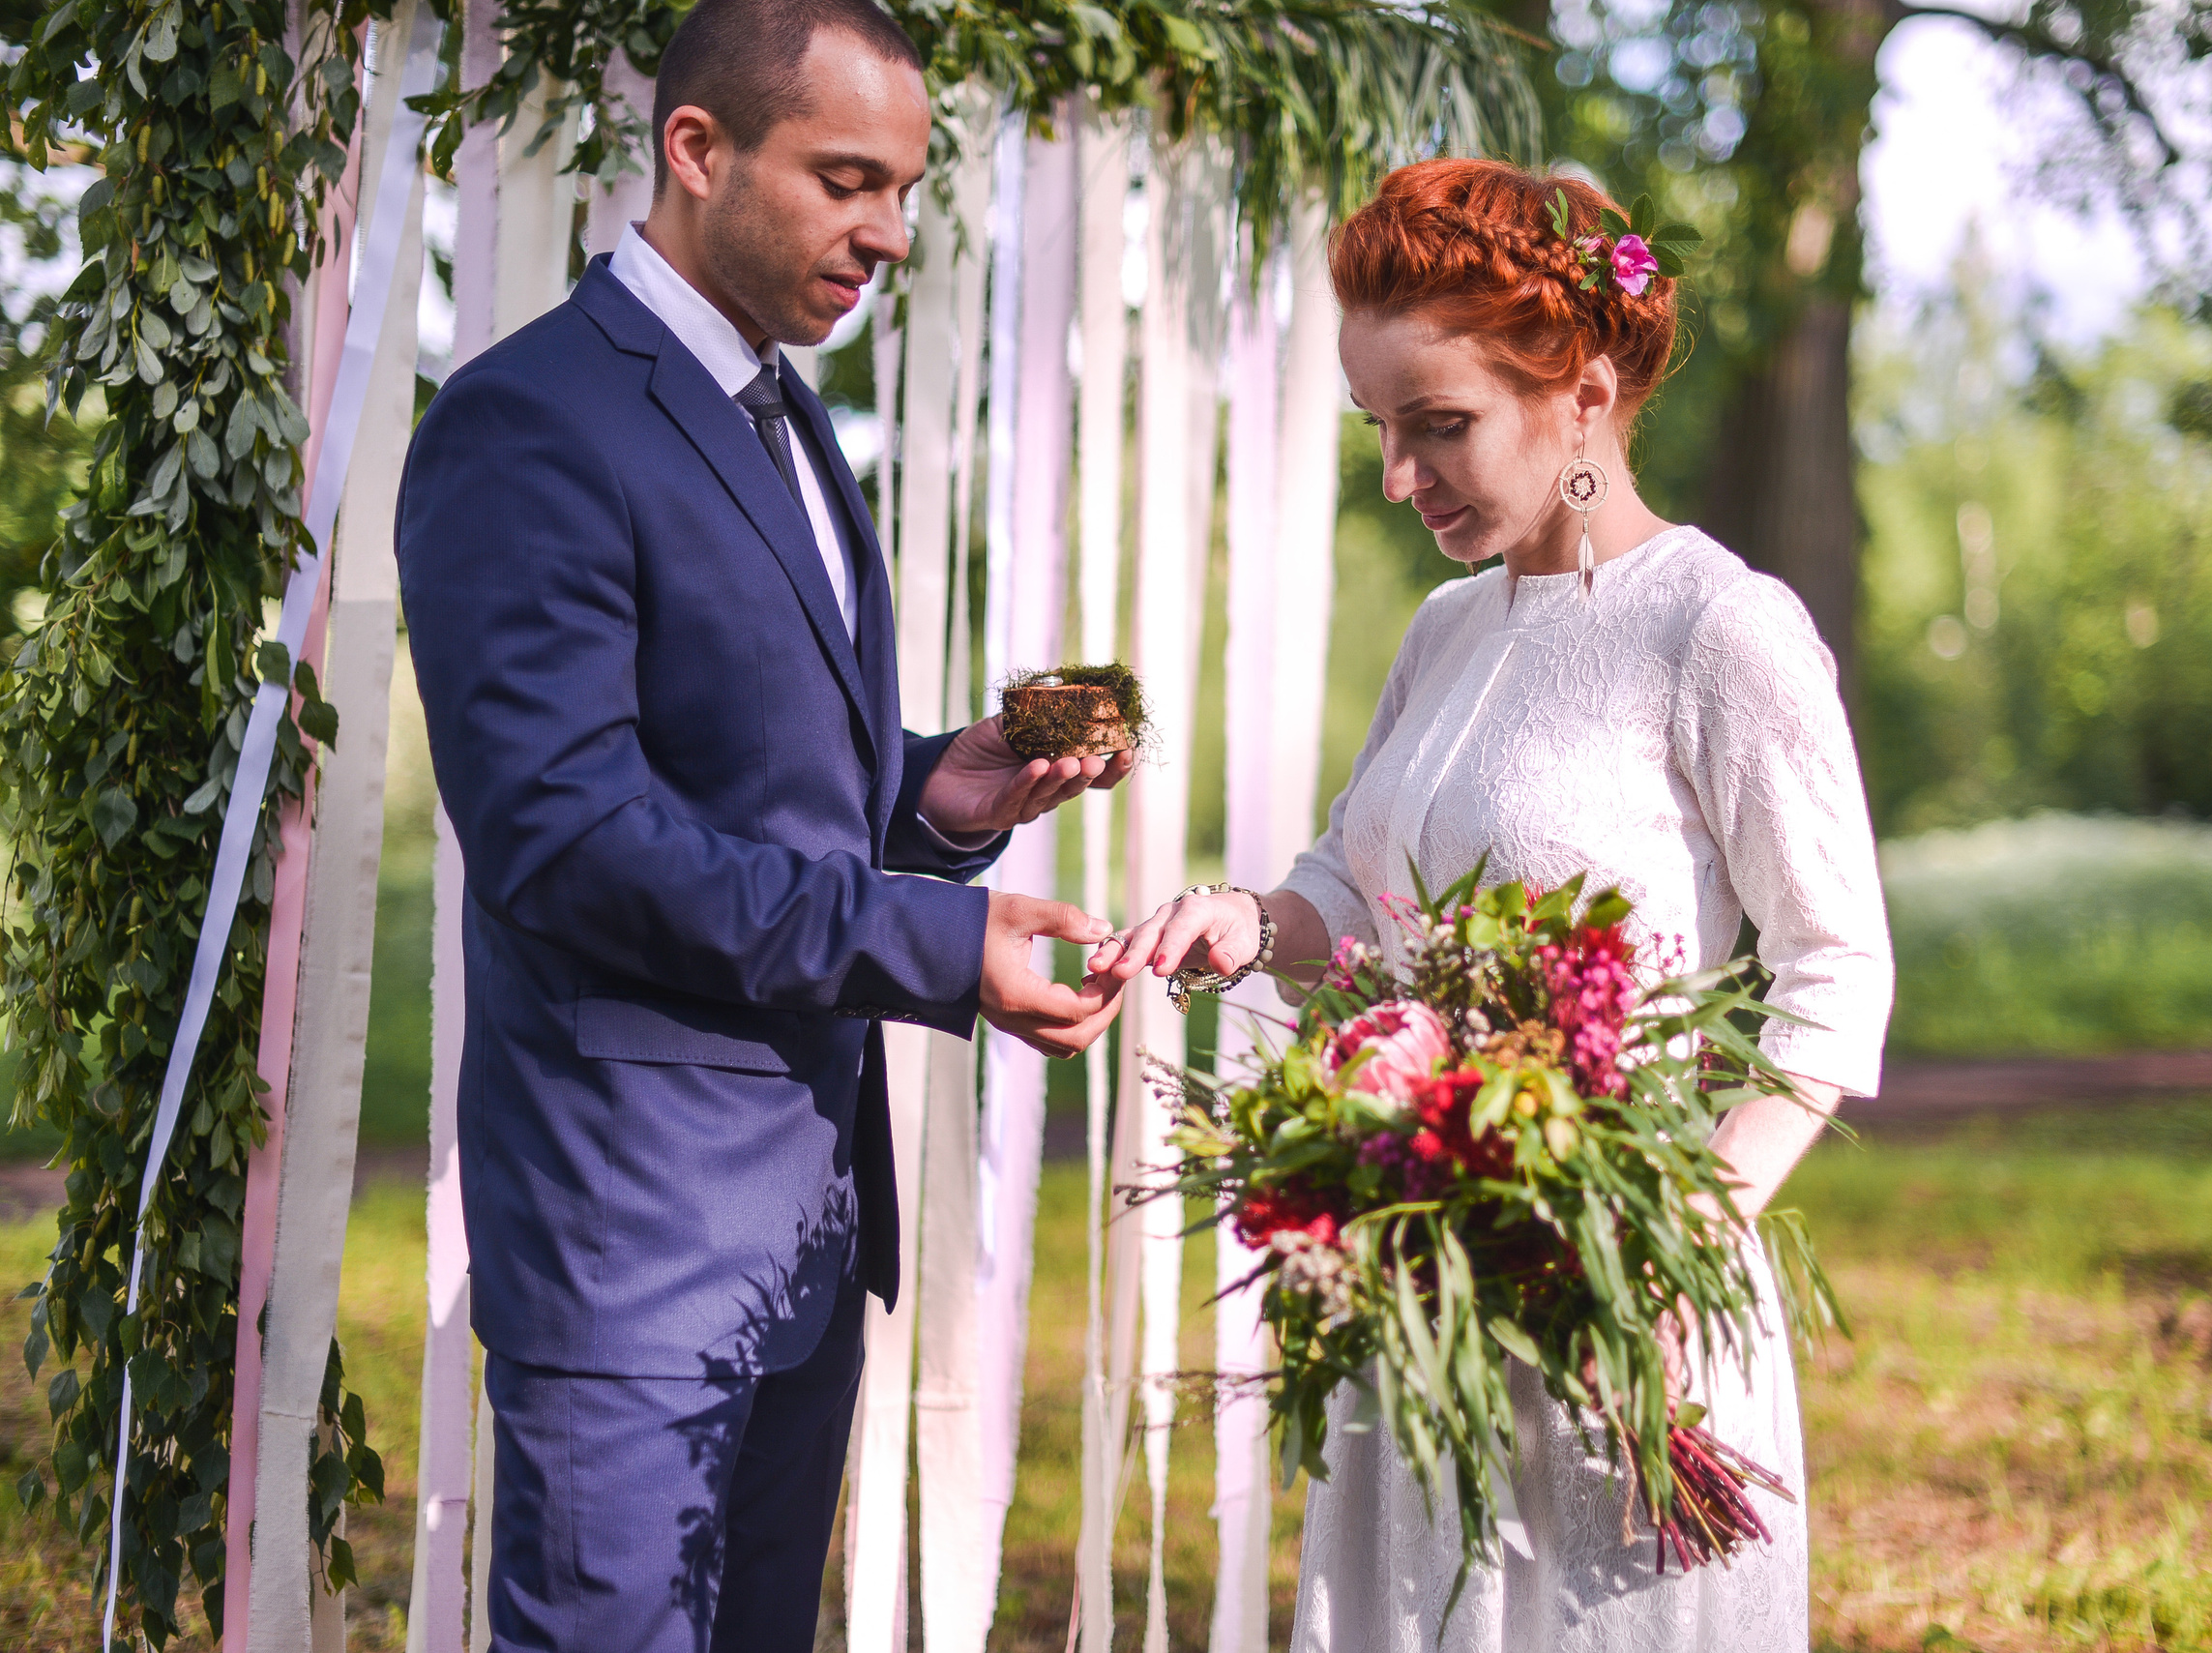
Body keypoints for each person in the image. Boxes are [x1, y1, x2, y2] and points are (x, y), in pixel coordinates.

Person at [396, 2, 1129, 1646]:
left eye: (907, 188)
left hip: (801, 1245)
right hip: (629, 1247)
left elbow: (754, 790)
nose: (890, 231)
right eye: (848, 178)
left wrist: (937, 797)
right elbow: (570, 840)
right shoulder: (531, 425)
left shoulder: (792, 418)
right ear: (698, 149)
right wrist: (938, 944)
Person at [1092, 159, 1895, 1651]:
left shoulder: (1718, 627)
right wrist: (1254, 918)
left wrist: (1690, 1230)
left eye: (1439, 425)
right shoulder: (1446, 625)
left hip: (1615, 1293)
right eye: (1381, 431)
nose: (1402, 477)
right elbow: (1358, 876)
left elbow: (1837, 962)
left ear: (1582, 395)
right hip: (1423, 1281)